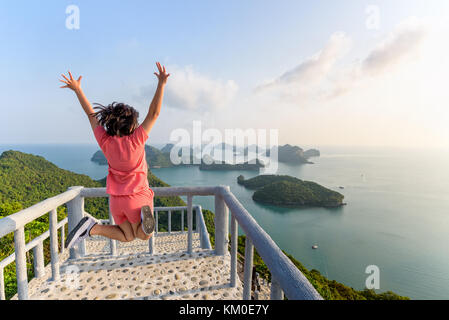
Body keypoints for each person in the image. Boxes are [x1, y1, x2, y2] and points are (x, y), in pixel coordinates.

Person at [60, 62, 170, 249]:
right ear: (132, 125)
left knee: (127, 236)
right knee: (143, 236)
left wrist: (78, 90)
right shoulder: (136, 139)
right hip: (137, 197)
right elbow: (154, 113)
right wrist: (161, 84)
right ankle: (146, 224)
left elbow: (91, 115)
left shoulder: (106, 141)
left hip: (116, 201)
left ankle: (92, 228)